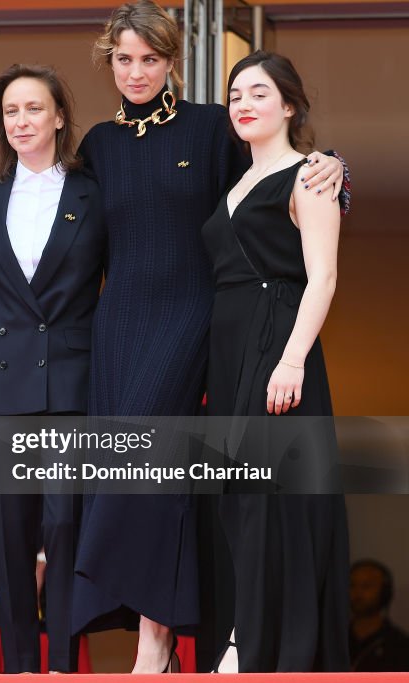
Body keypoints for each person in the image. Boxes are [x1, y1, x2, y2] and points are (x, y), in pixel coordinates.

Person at [69, 2, 348, 673]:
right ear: (110, 59)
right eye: (124, 58)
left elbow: (277, 181)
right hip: (121, 323)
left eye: (151, 59)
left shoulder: (211, 127)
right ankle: (168, 636)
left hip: (193, 318)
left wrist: (336, 168)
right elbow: (72, 236)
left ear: (172, 61)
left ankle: (156, 642)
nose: (136, 72)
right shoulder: (99, 146)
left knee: (154, 468)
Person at [0, 64, 105, 673]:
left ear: (60, 116)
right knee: (7, 539)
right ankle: (19, 668)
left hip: (72, 381)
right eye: (11, 111)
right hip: (1, 385)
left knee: (64, 527)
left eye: (34, 108)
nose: (21, 121)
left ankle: (61, 664)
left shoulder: (94, 190)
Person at [202, 50, 348, 672]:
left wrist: (291, 360)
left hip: (279, 339)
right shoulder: (231, 182)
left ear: (288, 105)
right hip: (230, 344)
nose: (243, 104)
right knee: (234, 495)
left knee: (271, 498)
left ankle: (266, 647)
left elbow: (324, 278)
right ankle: (241, 633)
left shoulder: (311, 175)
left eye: (258, 93)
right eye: (235, 94)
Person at [350, 559, 409, 671]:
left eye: (366, 586)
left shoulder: (400, 646)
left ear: (384, 592)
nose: (357, 593)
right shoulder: (334, 640)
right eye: (352, 585)